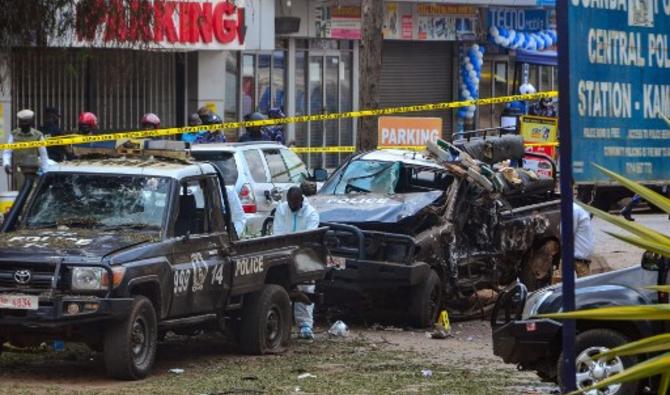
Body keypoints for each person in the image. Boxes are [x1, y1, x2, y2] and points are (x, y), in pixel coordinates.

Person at [272, 186, 320, 339]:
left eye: (295, 203)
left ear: (301, 200)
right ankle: (283, 323)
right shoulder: (282, 209)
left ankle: (305, 324)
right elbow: (278, 233)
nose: (292, 206)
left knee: (306, 287)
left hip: (304, 253)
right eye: (289, 202)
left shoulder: (311, 213)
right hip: (285, 253)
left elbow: (308, 237)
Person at [3, 109, 50, 190]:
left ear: (31, 122)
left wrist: (45, 172)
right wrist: (6, 164)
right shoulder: (14, 134)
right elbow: (7, 152)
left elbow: (43, 155)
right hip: (19, 170)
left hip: (34, 170)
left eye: (26, 121)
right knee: (21, 192)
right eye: (21, 121)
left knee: (33, 192)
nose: (23, 124)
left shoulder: (38, 135)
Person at [573, 202, 595, 277]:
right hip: (577, 260)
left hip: (581, 261)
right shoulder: (575, 209)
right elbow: (567, 234)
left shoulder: (577, 209)